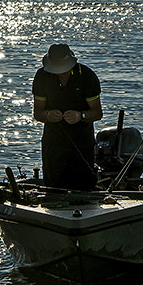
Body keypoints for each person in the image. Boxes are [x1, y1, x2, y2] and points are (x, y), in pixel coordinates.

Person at [31, 43, 103, 190]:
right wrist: (48, 115)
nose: (61, 74)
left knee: (84, 188)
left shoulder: (87, 76)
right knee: (54, 188)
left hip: (82, 141)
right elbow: (38, 112)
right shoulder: (42, 76)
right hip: (53, 142)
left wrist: (80, 115)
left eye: (64, 70)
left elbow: (97, 113)